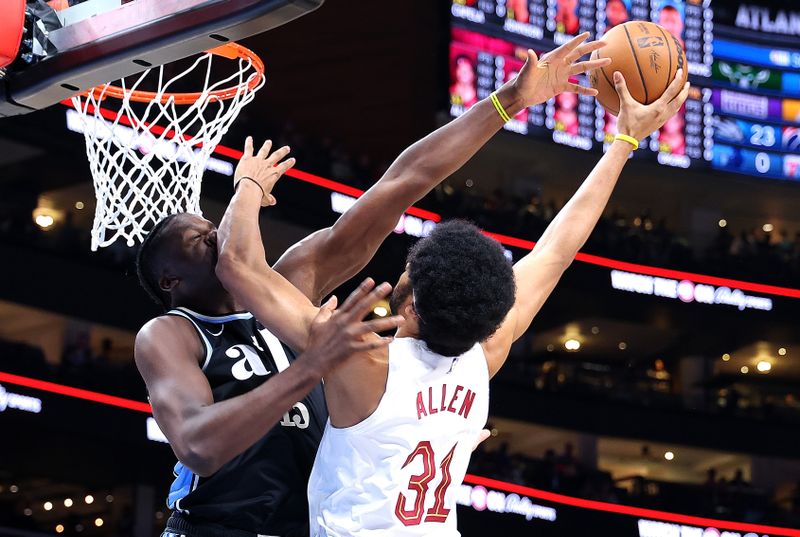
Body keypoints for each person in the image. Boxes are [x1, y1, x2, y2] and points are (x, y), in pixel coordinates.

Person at [135, 33, 613, 537]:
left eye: (214, 227)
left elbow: (404, 179)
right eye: (196, 239)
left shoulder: (295, 278)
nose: (214, 233)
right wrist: (247, 191)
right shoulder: (172, 334)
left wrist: (508, 100)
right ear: (171, 280)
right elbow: (199, 447)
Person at [215, 67, 690, 535]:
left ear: (412, 307)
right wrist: (623, 143)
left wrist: (249, 186)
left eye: (410, 269)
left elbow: (236, 265)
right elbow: (556, 250)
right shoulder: (484, 356)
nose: (403, 269)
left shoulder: (361, 361)